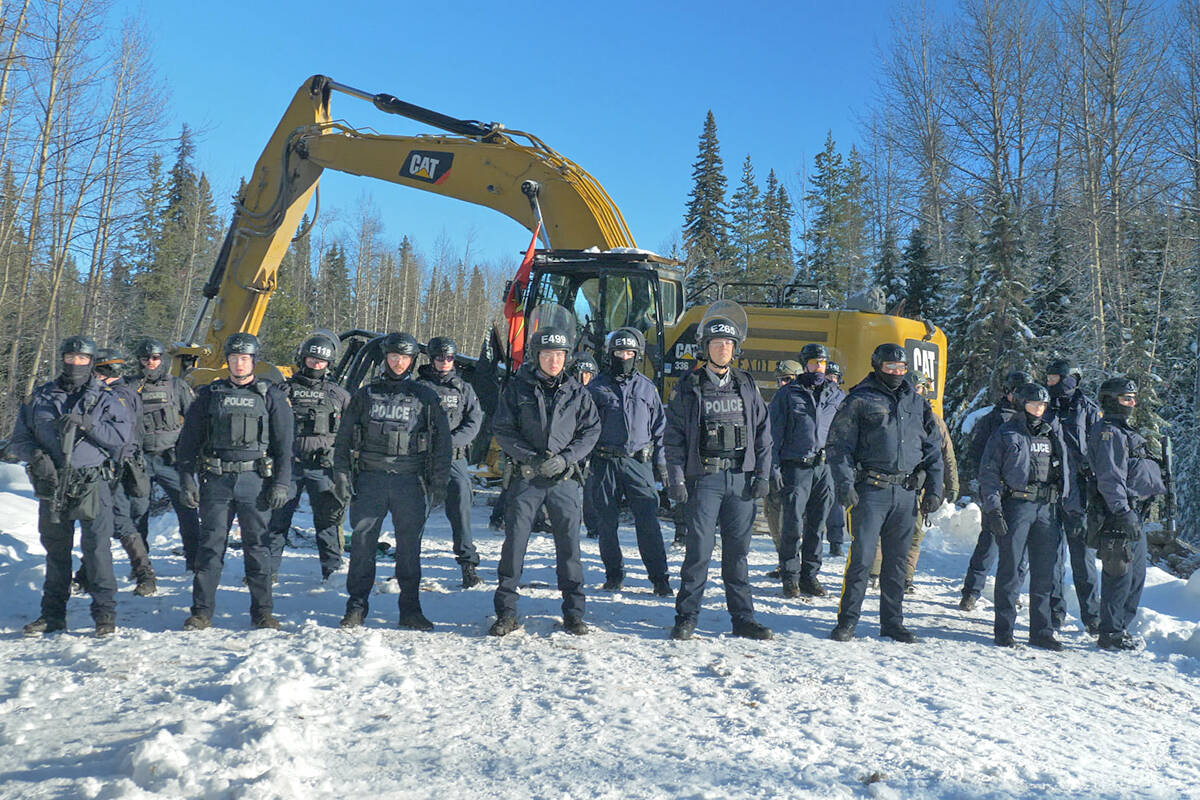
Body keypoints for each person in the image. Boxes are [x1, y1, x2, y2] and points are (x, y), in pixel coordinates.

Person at [664, 304, 773, 641]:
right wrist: (677, 478)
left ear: (734, 349)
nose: (723, 348)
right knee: (698, 553)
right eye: (716, 343)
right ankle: (686, 617)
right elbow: (673, 438)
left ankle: (743, 619)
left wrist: (763, 475)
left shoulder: (746, 384)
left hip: (740, 480)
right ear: (705, 348)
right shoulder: (689, 386)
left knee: (737, 555)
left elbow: (764, 433)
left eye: (728, 344)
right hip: (705, 481)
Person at [14, 335, 135, 637]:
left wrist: (88, 423)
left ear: (92, 362)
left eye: (82, 359)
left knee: (97, 550)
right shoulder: (41, 396)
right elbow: (19, 438)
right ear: (62, 358)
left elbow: (123, 439)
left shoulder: (107, 398)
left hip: (91, 480)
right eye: (71, 357)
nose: (76, 363)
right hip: (52, 481)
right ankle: (52, 614)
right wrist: (35, 456)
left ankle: (104, 614)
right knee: (56, 551)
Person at [827, 343, 943, 643]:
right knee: (863, 558)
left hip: (906, 493)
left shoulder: (916, 403)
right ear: (877, 366)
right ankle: (847, 620)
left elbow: (933, 449)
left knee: (897, 562)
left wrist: (934, 487)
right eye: (890, 368)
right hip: (870, 491)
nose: (896, 373)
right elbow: (839, 447)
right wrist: (844, 484)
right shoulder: (860, 399)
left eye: (901, 368)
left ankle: (893, 622)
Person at [335, 332, 451, 631]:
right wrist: (342, 475)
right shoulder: (365, 395)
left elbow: (442, 443)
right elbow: (344, 439)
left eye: (405, 358)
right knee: (362, 546)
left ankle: (410, 610)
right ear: (386, 357)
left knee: (409, 549)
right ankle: (356, 607)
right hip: (370, 480)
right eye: (394, 357)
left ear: (413, 361)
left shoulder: (425, 397)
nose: (399, 363)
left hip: (410, 482)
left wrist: (438, 483)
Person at [178, 333, 294, 631]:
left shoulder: (270, 395)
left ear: (253, 361)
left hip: (254, 482)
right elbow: (188, 442)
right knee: (210, 548)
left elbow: (284, 445)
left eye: (244, 359)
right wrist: (186, 479)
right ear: (226, 360)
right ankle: (201, 612)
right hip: (215, 481)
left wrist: (281, 483)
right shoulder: (209, 394)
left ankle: (263, 612)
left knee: (258, 549)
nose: (239, 364)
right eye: (233, 358)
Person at [490, 325, 600, 636]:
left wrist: (565, 459)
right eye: (548, 354)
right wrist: (530, 458)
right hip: (527, 479)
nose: (554, 361)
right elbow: (503, 429)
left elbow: (590, 432)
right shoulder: (517, 389)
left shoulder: (578, 392)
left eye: (560, 355)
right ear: (536, 356)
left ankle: (574, 614)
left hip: (564, 480)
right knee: (514, 547)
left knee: (569, 549)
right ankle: (506, 613)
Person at [979, 383, 1071, 650]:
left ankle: (1042, 631)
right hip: (1017, 506)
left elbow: (1065, 470)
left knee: (1045, 573)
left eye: (1042, 406)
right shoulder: (1005, 433)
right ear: (1021, 404)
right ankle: (1004, 629)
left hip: (1047, 509)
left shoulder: (1052, 433)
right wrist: (994, 508)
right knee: (1010, 569)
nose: (1039, 410)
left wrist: (1068, 506)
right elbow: (989, 474)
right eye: (1033, 405)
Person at [586, 327, 671, 596]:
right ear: (611, 354)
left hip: (638, 463)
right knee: (606, 523)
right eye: (619, 352)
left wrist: (662, 464)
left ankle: (660, 579)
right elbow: (583, 427)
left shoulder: (647, 388)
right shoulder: (596, 388)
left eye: (629, 352)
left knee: (648, 523)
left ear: (637, 355)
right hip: (604, 462)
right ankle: (613, 575)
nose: (624, 356)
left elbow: (660, 428)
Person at [267, 333, 351, 582]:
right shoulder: (281, 391)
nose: (316, 364)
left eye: (321, 361)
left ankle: (332, 571)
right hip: (288, 467)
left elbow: (353, 432)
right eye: (312, 358)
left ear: (329, 364)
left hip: (323, 467)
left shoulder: (339, 395)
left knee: (328, 521)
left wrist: (346, 466)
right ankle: (267, 572)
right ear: (302, 358)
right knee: (277, 520)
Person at [1088, 377, 1165, 651]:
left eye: (1134, 398)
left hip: (1135, 514)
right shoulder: (1109, 432)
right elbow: (1110, 477)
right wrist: (1123, 511)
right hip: (1118, 514)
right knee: (1119, 576)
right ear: (1110, 400)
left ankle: (1121, 628)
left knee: (1135, 577)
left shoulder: (1126, 431)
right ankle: (1110, 633)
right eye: (1126, 398)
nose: (1132, 403)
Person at [868, 370, 957, 593]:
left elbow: (946, 455)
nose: (918, 392)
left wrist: (951, 484)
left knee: (915, 534)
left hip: (922, 485)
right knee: (882, 531)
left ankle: (906, 577)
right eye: (915, 387)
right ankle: (874, 573)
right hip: (896, 482)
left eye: (921, 389)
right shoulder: (893, 413)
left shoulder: (933, 419)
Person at [770, 343, 843, 599]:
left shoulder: (836, 395)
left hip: (825, 468)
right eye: (814, 363)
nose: (819, 368)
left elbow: (845, 433)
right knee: (791, 524)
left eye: (822, 363)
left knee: (817, 524)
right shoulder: (788, 394)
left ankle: (810, 576)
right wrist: (773, 468)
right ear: (804, 364)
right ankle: (790, 576)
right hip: (796, 466)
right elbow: (773, 434)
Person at [958, 370, 1031, 611]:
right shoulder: (993, 419)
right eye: (1015, 393)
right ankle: (971, 591)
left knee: (1020, 549)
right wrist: (983, 485)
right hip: (996, 491)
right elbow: (977, 453)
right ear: (1008, 393)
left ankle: (1014, 591)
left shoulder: (1034, 422)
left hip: (1023, 494)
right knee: (989, 541)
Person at [416, 335, 485, 588]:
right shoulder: (418, 387)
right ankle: (408, 565)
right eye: (440, 358)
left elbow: (474, 422)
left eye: (449, 358)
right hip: (423, 459)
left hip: (455, 459)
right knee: (413, 513)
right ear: (430, 359)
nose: (445, 362)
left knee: (461, 512)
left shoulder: (464, 389)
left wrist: (450, 442)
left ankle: (468, 565)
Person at [130, 338, 200, 570]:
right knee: (138, 513)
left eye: (155, 357)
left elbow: (194, 421)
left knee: (188, 509)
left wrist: (190, 455)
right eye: (146, 358)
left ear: (162, 359)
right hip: (139, 460)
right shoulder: (128, 386)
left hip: (171, 459)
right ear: (139, 359)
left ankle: (194, 560)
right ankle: (141, 566)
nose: (151, 362)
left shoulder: (176, 385)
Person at [92, 348, 157, 597]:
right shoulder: (121, 393)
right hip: (107, 465)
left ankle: (145, 574)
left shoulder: (118, 396)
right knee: (98, 523)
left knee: (119, 521)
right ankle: (87, 575)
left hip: (114, 466)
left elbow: (122, 436)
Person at [1046, 357, 1102, 635]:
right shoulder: (1043, 406)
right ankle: (1055, 614)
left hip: (1079, 497)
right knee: (1051, 559)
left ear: (1067, 378)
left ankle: (1092, 616)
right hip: (1051, 494)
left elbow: (1100, 451)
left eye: (1054, 378)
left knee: (1084, 560)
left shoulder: (1087, 409)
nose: (1049, 382)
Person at [764, 359, 801, 577]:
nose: (784, 383)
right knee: (772, 513)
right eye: (781, 380)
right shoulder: (779, 399)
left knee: (793, 519)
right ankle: (783, 560)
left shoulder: (803, 400)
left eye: (788, 379)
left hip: (796, 468)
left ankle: (794, 564)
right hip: (775, 465)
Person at [570, 352, 600, 539]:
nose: (584, 379)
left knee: (591, 486)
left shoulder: (598, 392)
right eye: (581, 374)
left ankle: (593, 525)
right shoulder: (566, 391)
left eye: (588, 374)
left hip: (590, 445)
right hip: (569, 446)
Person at [823, 360, 847, 557]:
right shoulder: (815, 397)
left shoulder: (843, 400)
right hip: (816, 454)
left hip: (835, 455)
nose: (831, 379)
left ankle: (836, 541)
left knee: (834, 501)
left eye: (834, 377)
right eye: (828, 376)